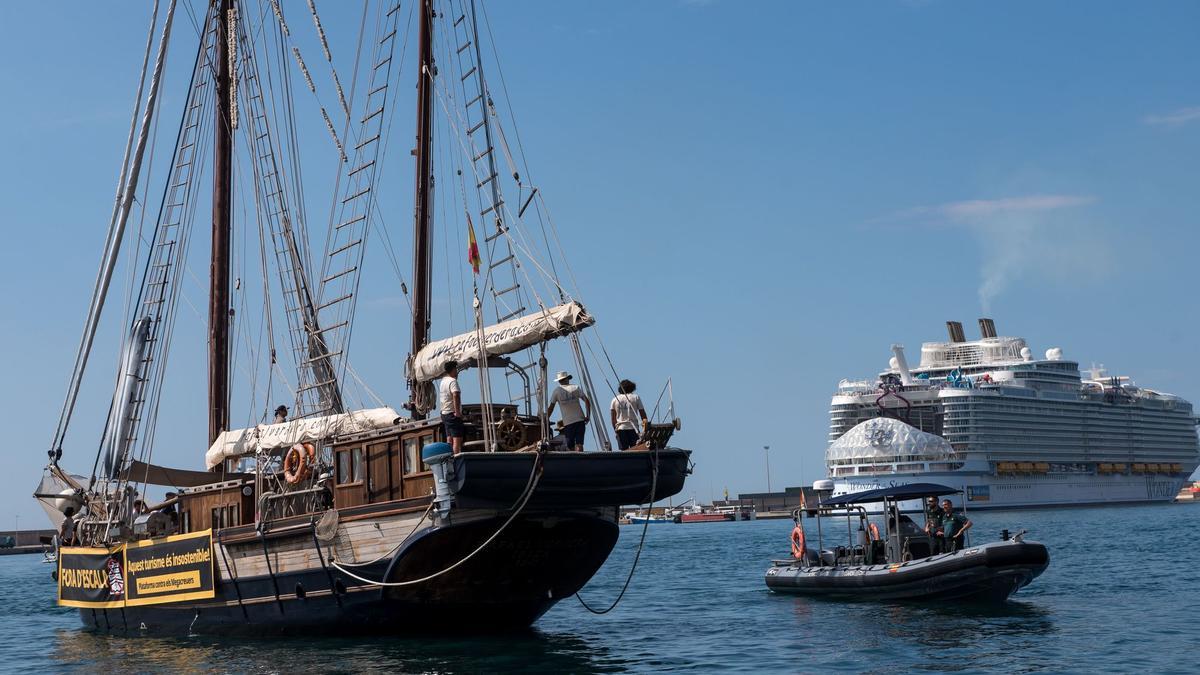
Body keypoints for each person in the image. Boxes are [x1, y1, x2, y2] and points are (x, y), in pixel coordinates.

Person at [546, 371, 591, 451]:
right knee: (579, 443)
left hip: (568, 423)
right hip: (580, 420)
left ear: (559, 381)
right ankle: (581, 461)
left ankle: (575, 461)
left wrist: (546, 419)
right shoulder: (576, 387)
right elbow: (587, 401)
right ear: (567, 379)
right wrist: (588, 416)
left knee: (570, 445)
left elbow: (551, 408)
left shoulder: (556, 391)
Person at [610, 379, 648, 450]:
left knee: (624, 451)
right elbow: (643, 414)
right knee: (635, 449)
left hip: (620, 428)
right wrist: (645, 429)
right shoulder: (636, 397)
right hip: (634, 429)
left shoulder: (614, 399)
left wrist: (615, 430)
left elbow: (613, 419)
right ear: (632, 388)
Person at [439, 361, 464, 454]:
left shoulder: (443, 381)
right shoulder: (452, 381)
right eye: (456, 369)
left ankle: (449, 459)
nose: (457, 371)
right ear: (453, 369)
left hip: (444, 414)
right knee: (457, 439)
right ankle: (455, 461)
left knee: (449, 438)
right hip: (452, 414)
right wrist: (457, 412)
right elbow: (455, 395)